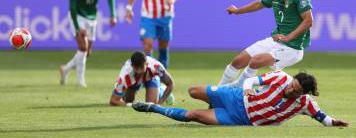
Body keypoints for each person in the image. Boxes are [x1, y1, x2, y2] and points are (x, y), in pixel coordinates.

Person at [132, 70, 348, 127]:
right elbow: (252, 81)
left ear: (304, 94)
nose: (291, 89)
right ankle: (213, 102)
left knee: (193, 115)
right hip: (235, 96)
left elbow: (322, 118)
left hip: (240, 118)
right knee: (192, 91)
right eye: (293, 85)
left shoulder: (305, 104)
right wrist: (245, 90)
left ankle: (152, 107)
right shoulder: (280, 77)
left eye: (297, 90)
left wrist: (333, 122)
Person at [218, 0, 313, 88]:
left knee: (256, 61)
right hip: (277, 39)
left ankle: (237, 90)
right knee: (238, 61)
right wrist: (238, 11)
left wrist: (289, 37)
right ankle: (216, 93)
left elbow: (308, 20)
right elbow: (258, 4)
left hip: (293, 48)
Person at [59, 0, 117, 87]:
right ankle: (81, 81)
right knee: (83, 47)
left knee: (87, 52)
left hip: (92, 17)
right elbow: (72, 7)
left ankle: (66, 69)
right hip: (78, 15)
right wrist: (78, 28)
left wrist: (113, 15)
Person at [109, 51, 174, 107]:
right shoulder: (125, 74)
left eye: (142, 68)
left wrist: (160, 102)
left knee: (151, 105)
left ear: (147, 64)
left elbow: (170, 83)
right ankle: (125, 92)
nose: (139, 71)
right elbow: (113, 101)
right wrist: (130, 105)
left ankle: (161, 90)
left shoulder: (156, 67)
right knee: (128, 101)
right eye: (136, 68)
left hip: (151, 77)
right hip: (134, 81)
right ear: (132, 66)